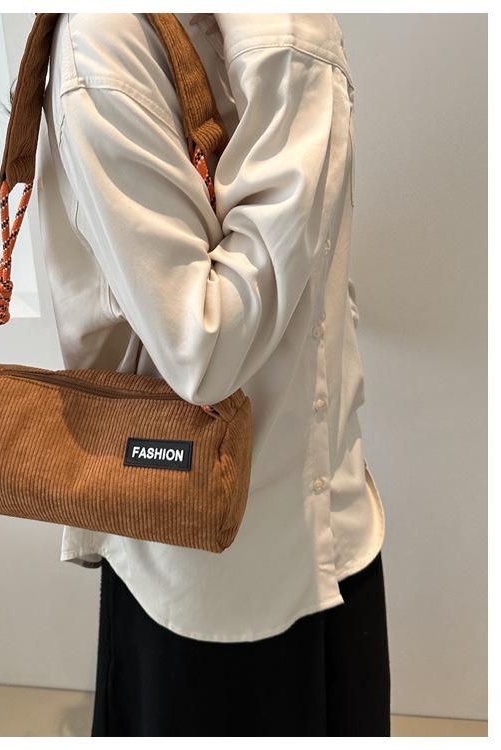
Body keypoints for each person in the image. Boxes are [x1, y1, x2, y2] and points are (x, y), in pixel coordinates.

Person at [33, 13, 390, 736]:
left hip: (334, 514)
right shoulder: (110, 42)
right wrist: (289, 53)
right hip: (209, 563)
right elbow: (203, 348)